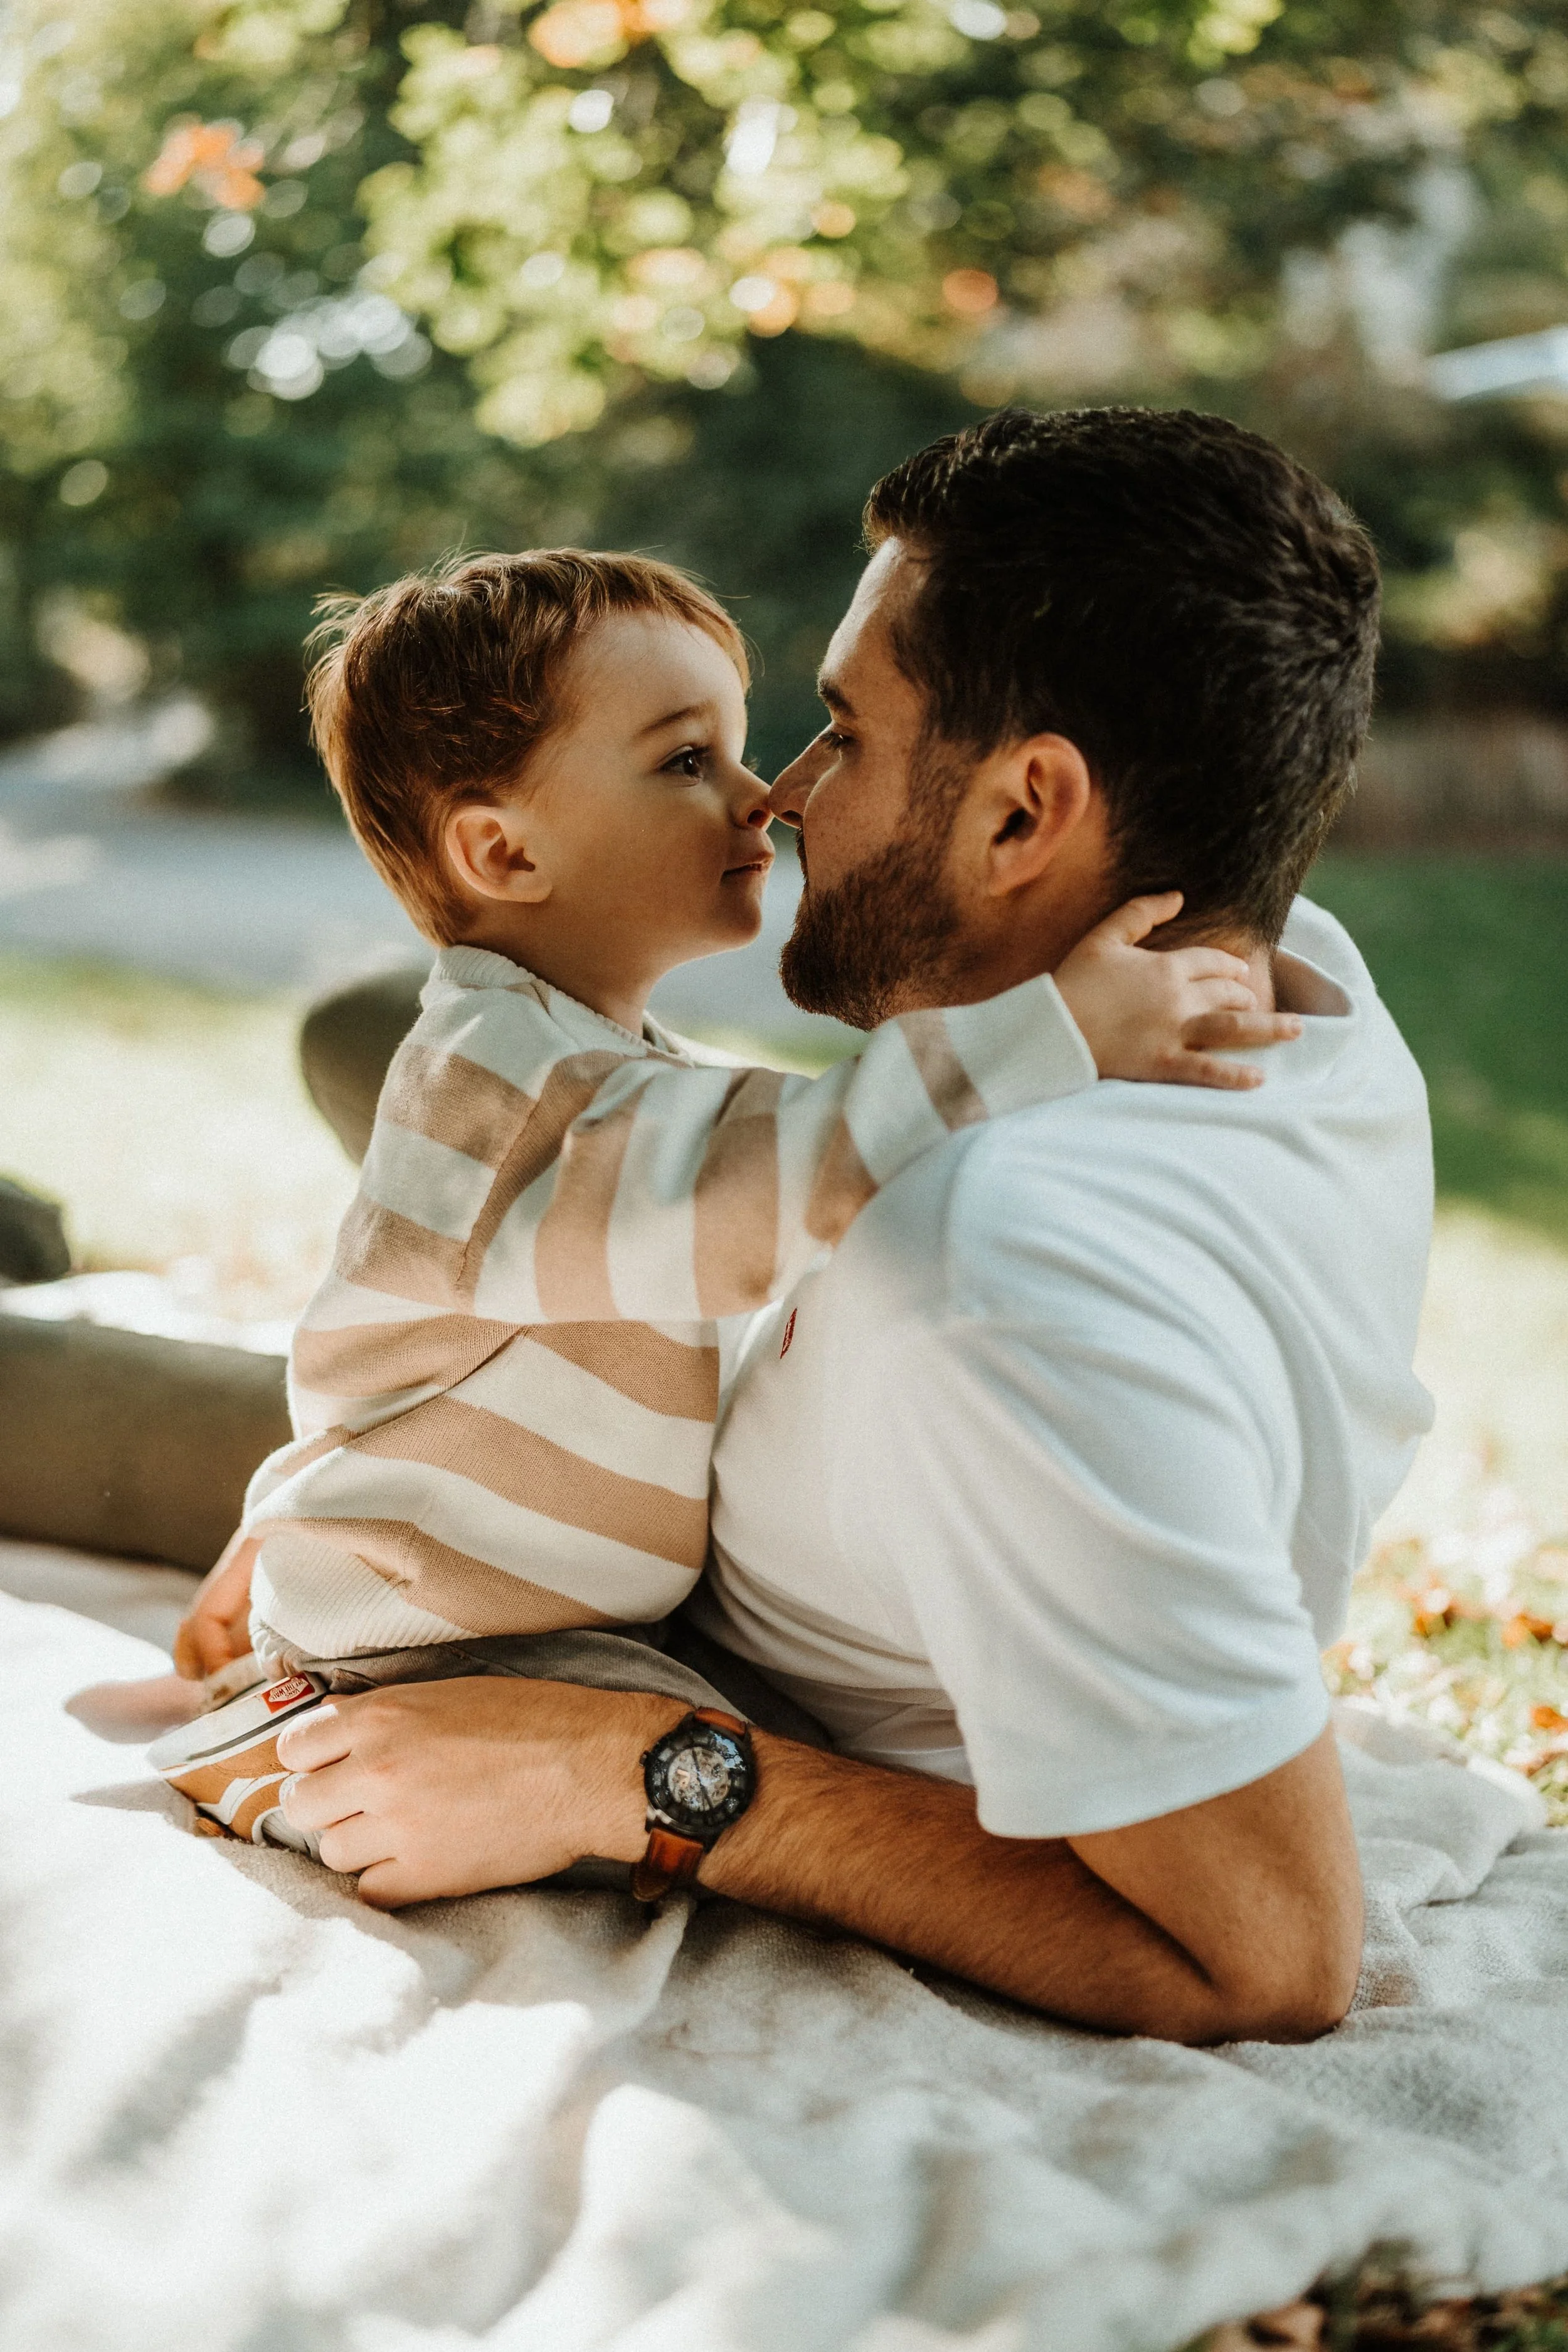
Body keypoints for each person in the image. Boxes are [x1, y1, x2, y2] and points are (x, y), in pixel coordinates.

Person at [179, 406, 1433, 2045]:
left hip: (564, 1485)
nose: (779, 794)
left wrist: (627, 1769)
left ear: (1021, 813)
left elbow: (1266, 1955)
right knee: (396, 1088)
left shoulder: (992, 1288)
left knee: (366, 1220)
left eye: (838, 731)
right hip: (577, 1383)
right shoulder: (1288, 964)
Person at [152, 546, 1288, 1851]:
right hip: (428, 1657)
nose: (764, 799)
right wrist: (1050, 1031)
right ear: (504, 850)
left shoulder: (600, 1065)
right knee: (794, 1790)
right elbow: (761, 1189)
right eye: (687, 761)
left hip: (554, 1625)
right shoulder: (490, 1089)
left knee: (815, 1758)